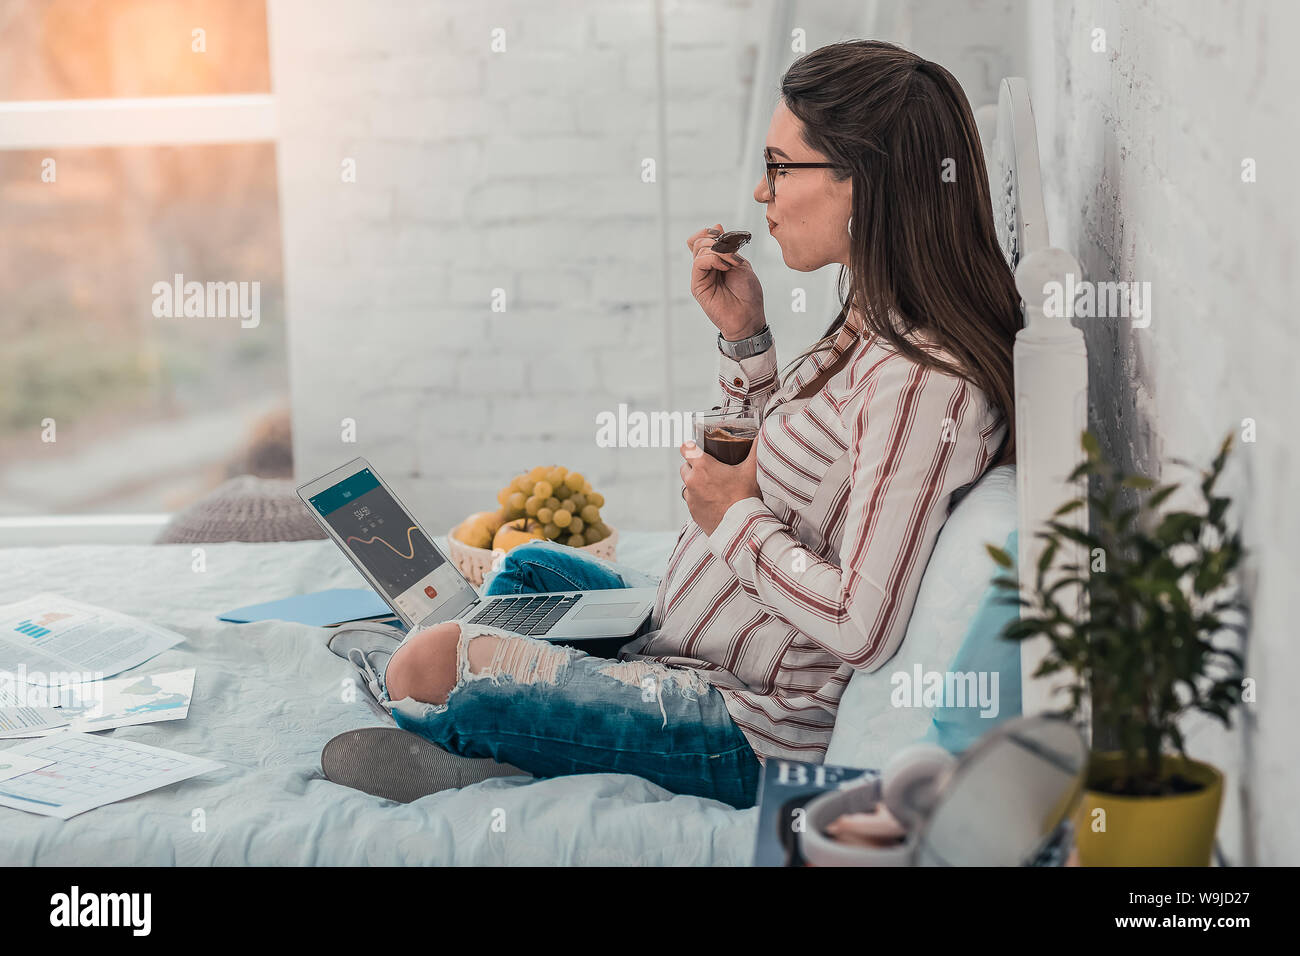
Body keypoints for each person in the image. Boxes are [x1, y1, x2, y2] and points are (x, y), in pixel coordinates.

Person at [333, 40, 1021, 810]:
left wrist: (731, 520)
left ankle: (467, 735)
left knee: (431, 661)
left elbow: (862, 623)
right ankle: (492, 707)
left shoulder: (924, 383)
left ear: (863, 181)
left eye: (780, 167)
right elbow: (793, 480)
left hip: (741, 724)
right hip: (683, 639)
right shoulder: (869, 322)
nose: (762, 193)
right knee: (526, 569)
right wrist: (746, 341)